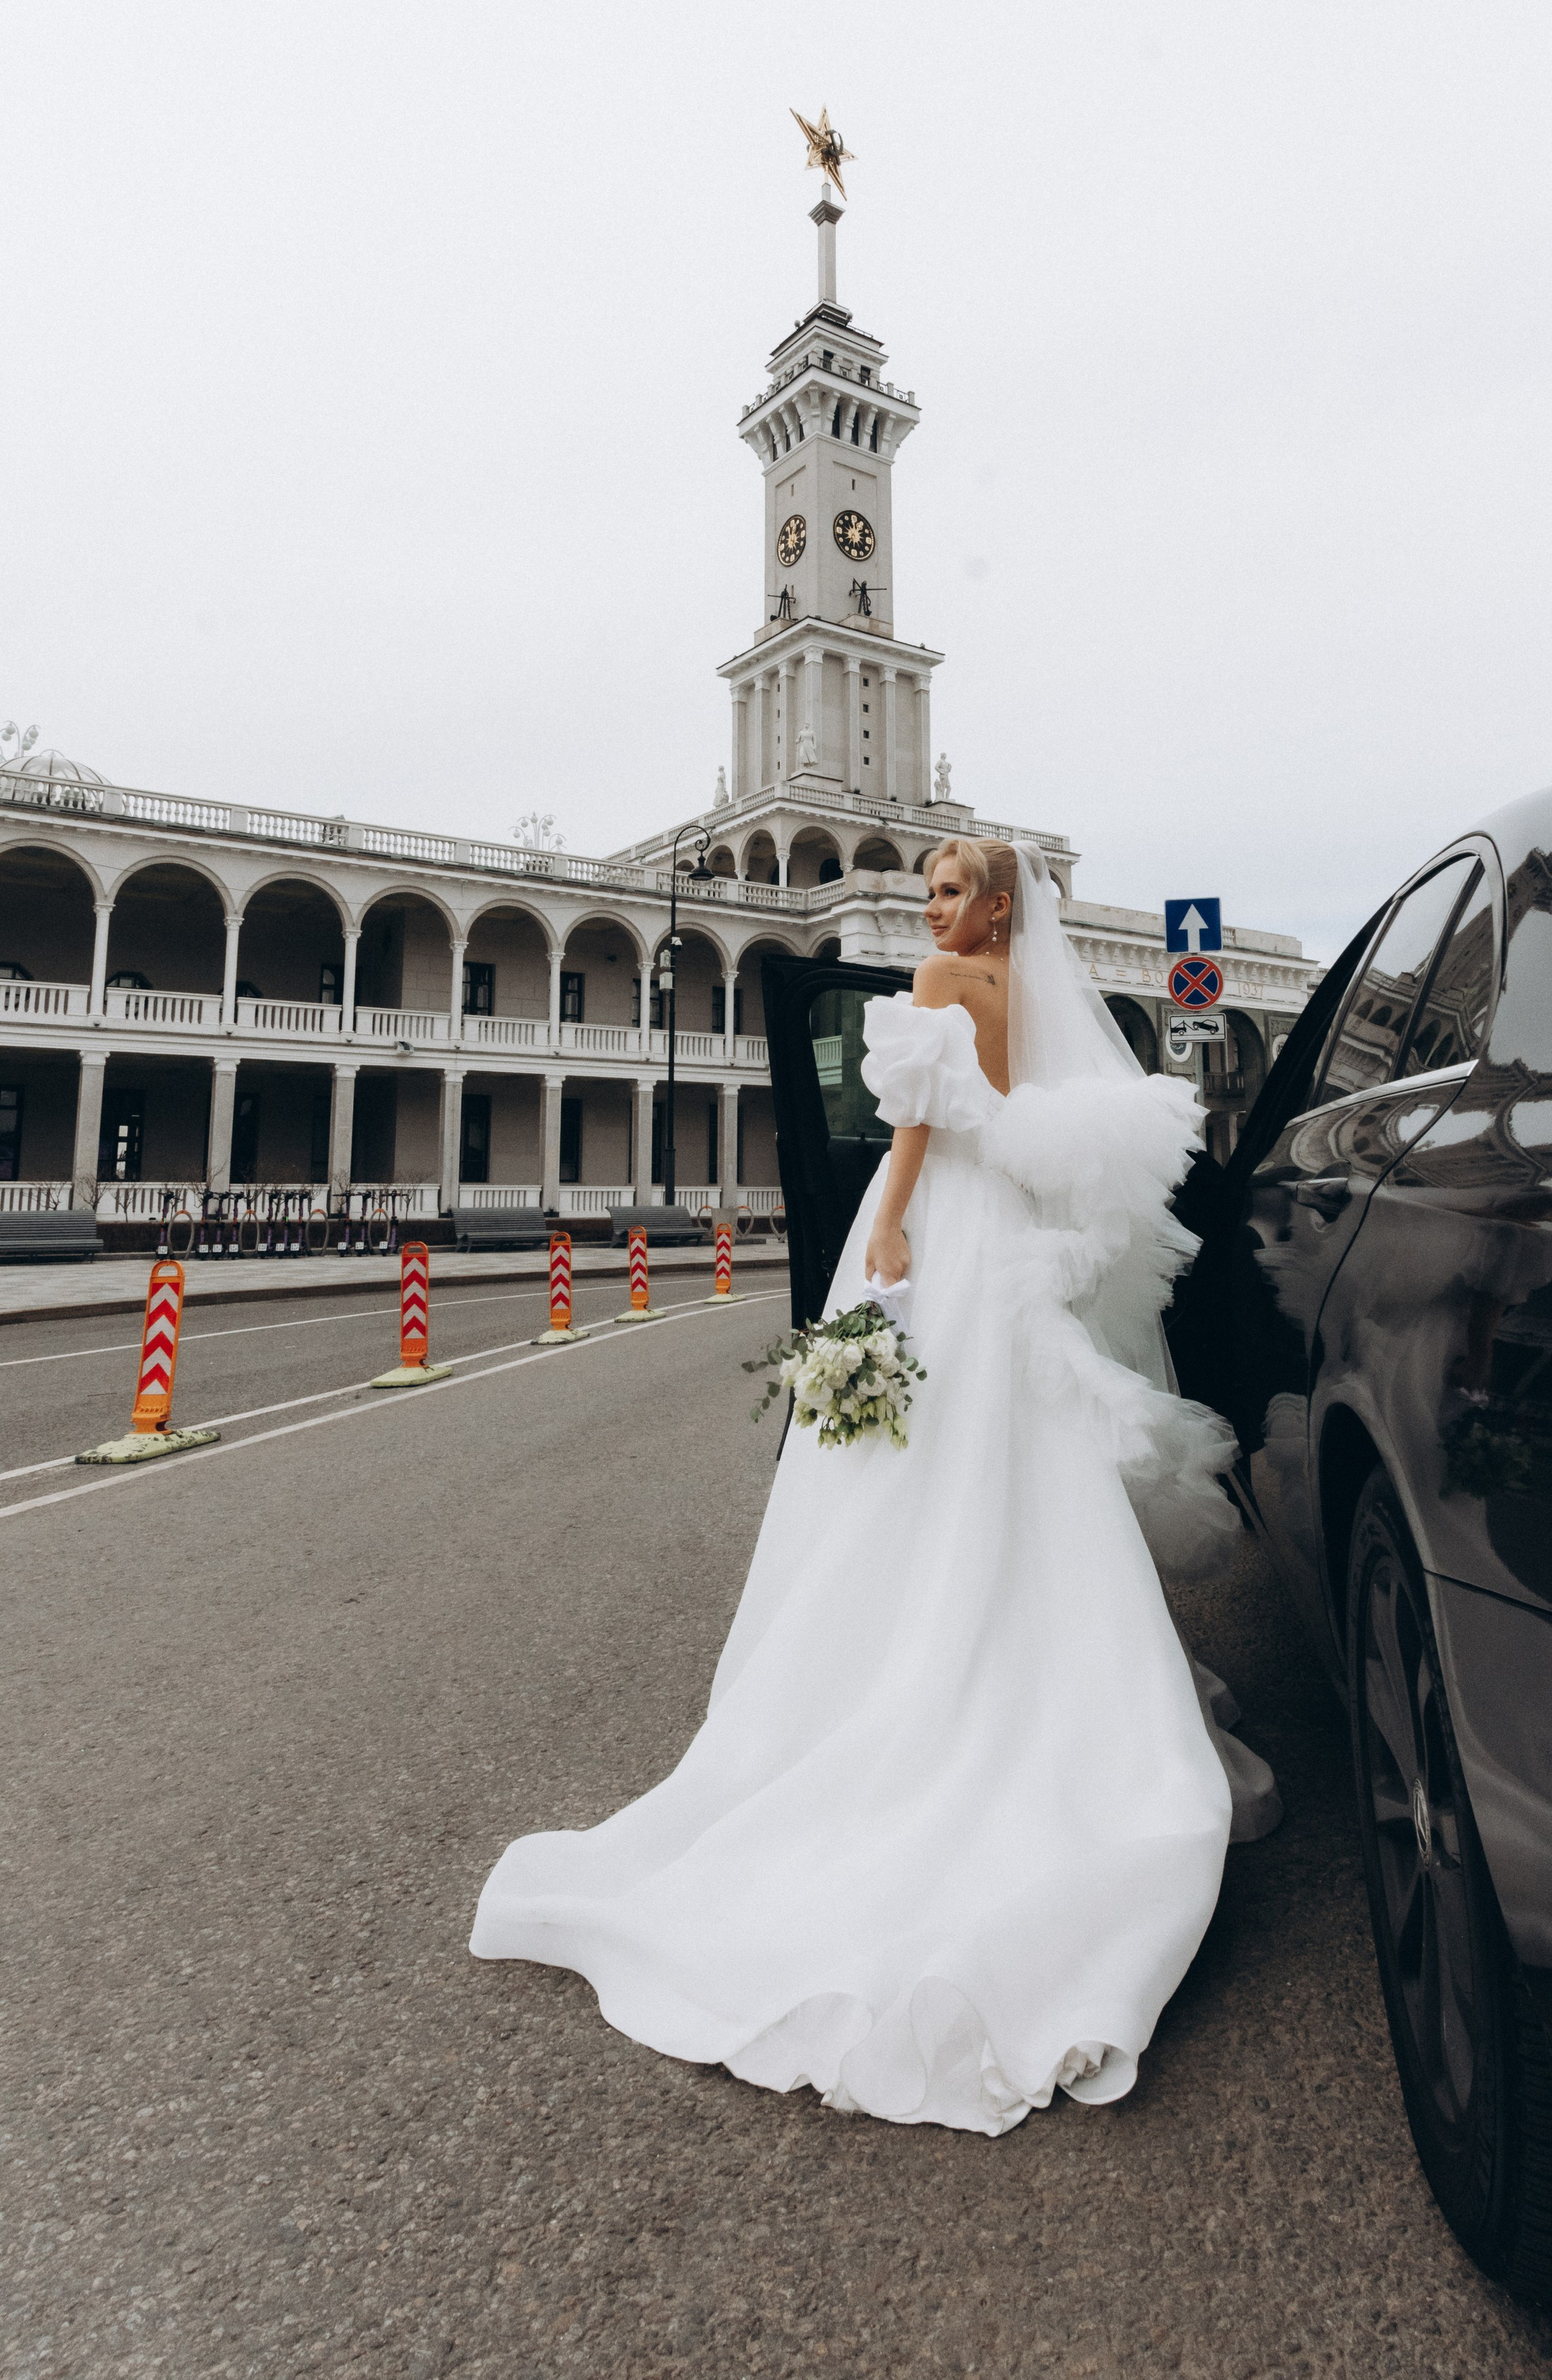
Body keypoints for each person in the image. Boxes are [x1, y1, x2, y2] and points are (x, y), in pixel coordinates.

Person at [471, 838, 1277, 2136]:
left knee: (897, 1455)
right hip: (1006, 1230)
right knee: (1014, 1457)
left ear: (998, 908)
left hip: (943, 1224)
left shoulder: (943, 981)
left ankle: (891, 1677)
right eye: (932, 894)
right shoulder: (1019, 994)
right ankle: (1049, 1675)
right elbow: (1009, 1121)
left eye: (955, 892)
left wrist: (891, 1222)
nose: (935, 908)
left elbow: (910, 1125)